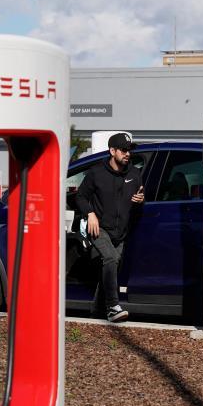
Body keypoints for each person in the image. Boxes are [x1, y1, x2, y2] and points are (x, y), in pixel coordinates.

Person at [76, 133, 144, 322]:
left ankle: (97, 311)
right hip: (99, 228)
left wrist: (141, 201)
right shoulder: (96, 173)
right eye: (123, 150)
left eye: (129, 150)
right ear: (112, 151)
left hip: (120, 232)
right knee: (111, 259)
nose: (127, 153)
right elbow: (80, 196)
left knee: (109, 269)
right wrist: (90, 213)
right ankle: (113, 307)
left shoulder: (134, 174)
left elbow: (139, 201)